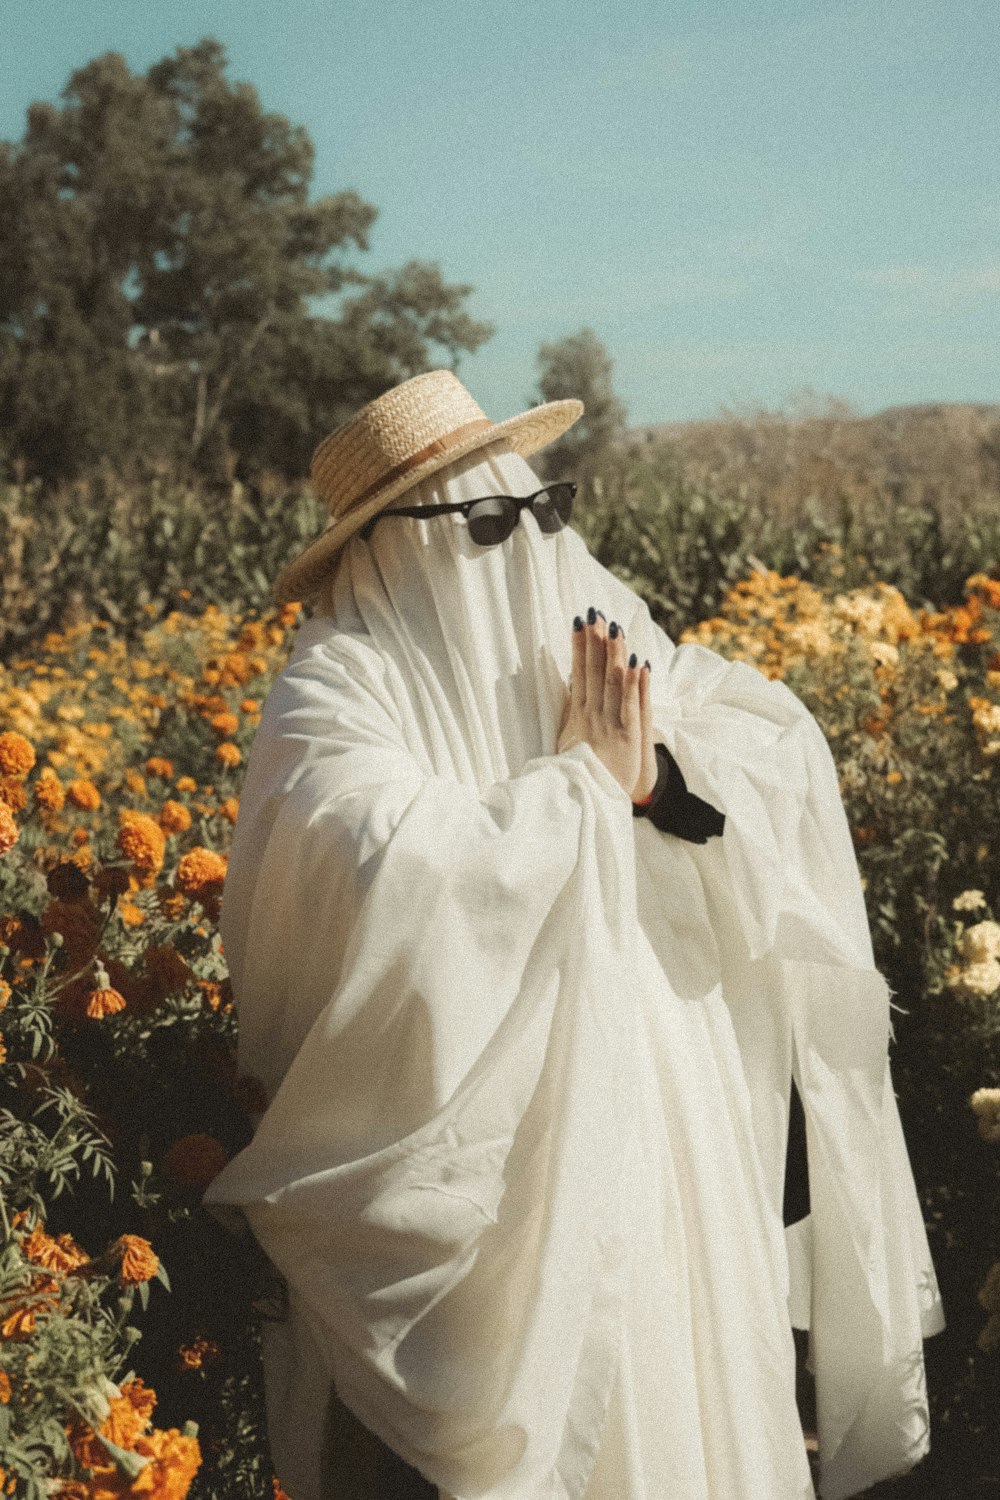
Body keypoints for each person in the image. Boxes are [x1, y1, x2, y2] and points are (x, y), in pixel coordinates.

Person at [202, 369, 944, 1500]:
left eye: (545, 507)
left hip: (657, 1089)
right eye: (491, 522)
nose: (535, 542)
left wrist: (651, 777)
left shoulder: (585, 613)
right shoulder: (342, 680)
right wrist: (574, 795)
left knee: (670, 1375)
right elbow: (348, 852)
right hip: (488, 1133)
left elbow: (755, 736)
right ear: (400, 543)